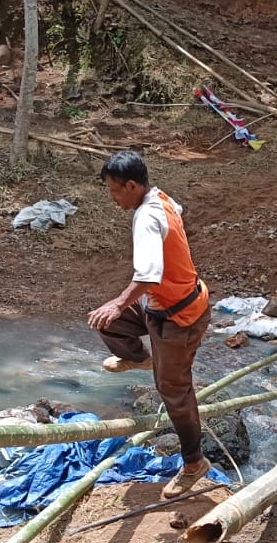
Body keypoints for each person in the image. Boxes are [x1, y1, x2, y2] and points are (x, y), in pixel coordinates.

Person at [89, 150, 214, 498]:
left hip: (179, 317)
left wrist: (118, 302)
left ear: (132, 186)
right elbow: (178, 215)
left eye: (115, 190)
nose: (113, 198)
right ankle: (142, 358)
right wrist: (117, 308)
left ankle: (194, 464)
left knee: (174, 391)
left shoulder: (146, 216)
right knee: (107, 322)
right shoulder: (161, 199)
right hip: (163, 304)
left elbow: (147, 276)